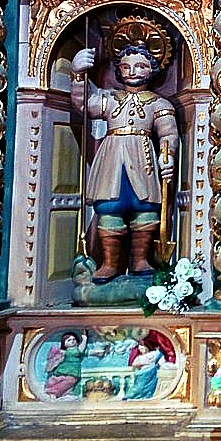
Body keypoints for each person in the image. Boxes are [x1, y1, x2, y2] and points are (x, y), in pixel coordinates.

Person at [71, 19, 180, 284]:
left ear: (152, 69)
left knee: (145, 207)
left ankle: (141, 260)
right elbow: (84, 105)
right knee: (109, 207)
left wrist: (167, 157)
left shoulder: (159, 104)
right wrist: (77, 74)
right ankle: (109, 264)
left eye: (140, 66)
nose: (133, 71)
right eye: (126, 66)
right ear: (119, 70)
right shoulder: (110, 99)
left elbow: (169, 134)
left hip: (143, 159)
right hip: (112, 159)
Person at [45, 332, 86, 399]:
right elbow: (55, 357)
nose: (72, 341)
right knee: (60, 379)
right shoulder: (64, 351)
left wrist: (84, 339)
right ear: (64, 342)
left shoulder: (77, 350)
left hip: (74, 370)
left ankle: (55, 392)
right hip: (64, 369)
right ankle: (53, 391)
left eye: (74, 339)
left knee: (70, 381)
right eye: (69, 340)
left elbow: (82, 348)